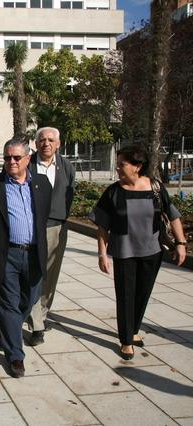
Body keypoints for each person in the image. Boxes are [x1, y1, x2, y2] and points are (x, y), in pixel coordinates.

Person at [91, 144, 186, 360]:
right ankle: (126, 340)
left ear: (137, 166)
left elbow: (173, 215)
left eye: (121, 164)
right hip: (124, 251)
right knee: (125, 295)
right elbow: (102, 226)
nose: (117, 168)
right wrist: (102, 254)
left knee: (143, 293)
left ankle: (134, 329)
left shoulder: (155, 187)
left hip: (152, 251)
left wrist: (181, 243)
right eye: (117, 164)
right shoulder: (113, 191)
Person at [0, 138, 51, 378]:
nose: (11, 161)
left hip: (34, 254)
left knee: (29, 299)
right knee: (8, 304)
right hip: (5, 255)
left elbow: (44, 216)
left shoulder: (42, 184)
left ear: (28, 159)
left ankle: (8, 331)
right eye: (8, 157)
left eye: (17, 157)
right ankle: (15, 355)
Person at [26, 127, 75, 346]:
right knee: (32, 273)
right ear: (36, 143)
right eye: (42, 140)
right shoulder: (26, 163)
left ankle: (40, 315)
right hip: (30, 227)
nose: (46, 143)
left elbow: (69, 194)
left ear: (58, 143)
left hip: (56, 227)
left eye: (50, 140)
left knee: (50, 276)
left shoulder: (66, 166)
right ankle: (35, 321)